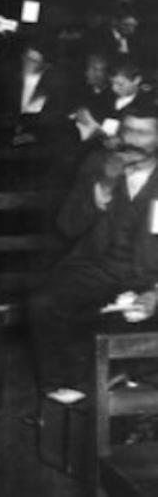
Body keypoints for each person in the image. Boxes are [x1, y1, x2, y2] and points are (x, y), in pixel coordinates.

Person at [29, 103, 158, 393]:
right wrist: (106, 184)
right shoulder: (98, 163)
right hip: (96, 269)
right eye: (127, 130)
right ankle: (61, 396)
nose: (131, 140)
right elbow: (68, 225)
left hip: (150, 278)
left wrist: (156, 293)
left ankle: (133, 404)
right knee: (44, 304)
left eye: (143, 133)